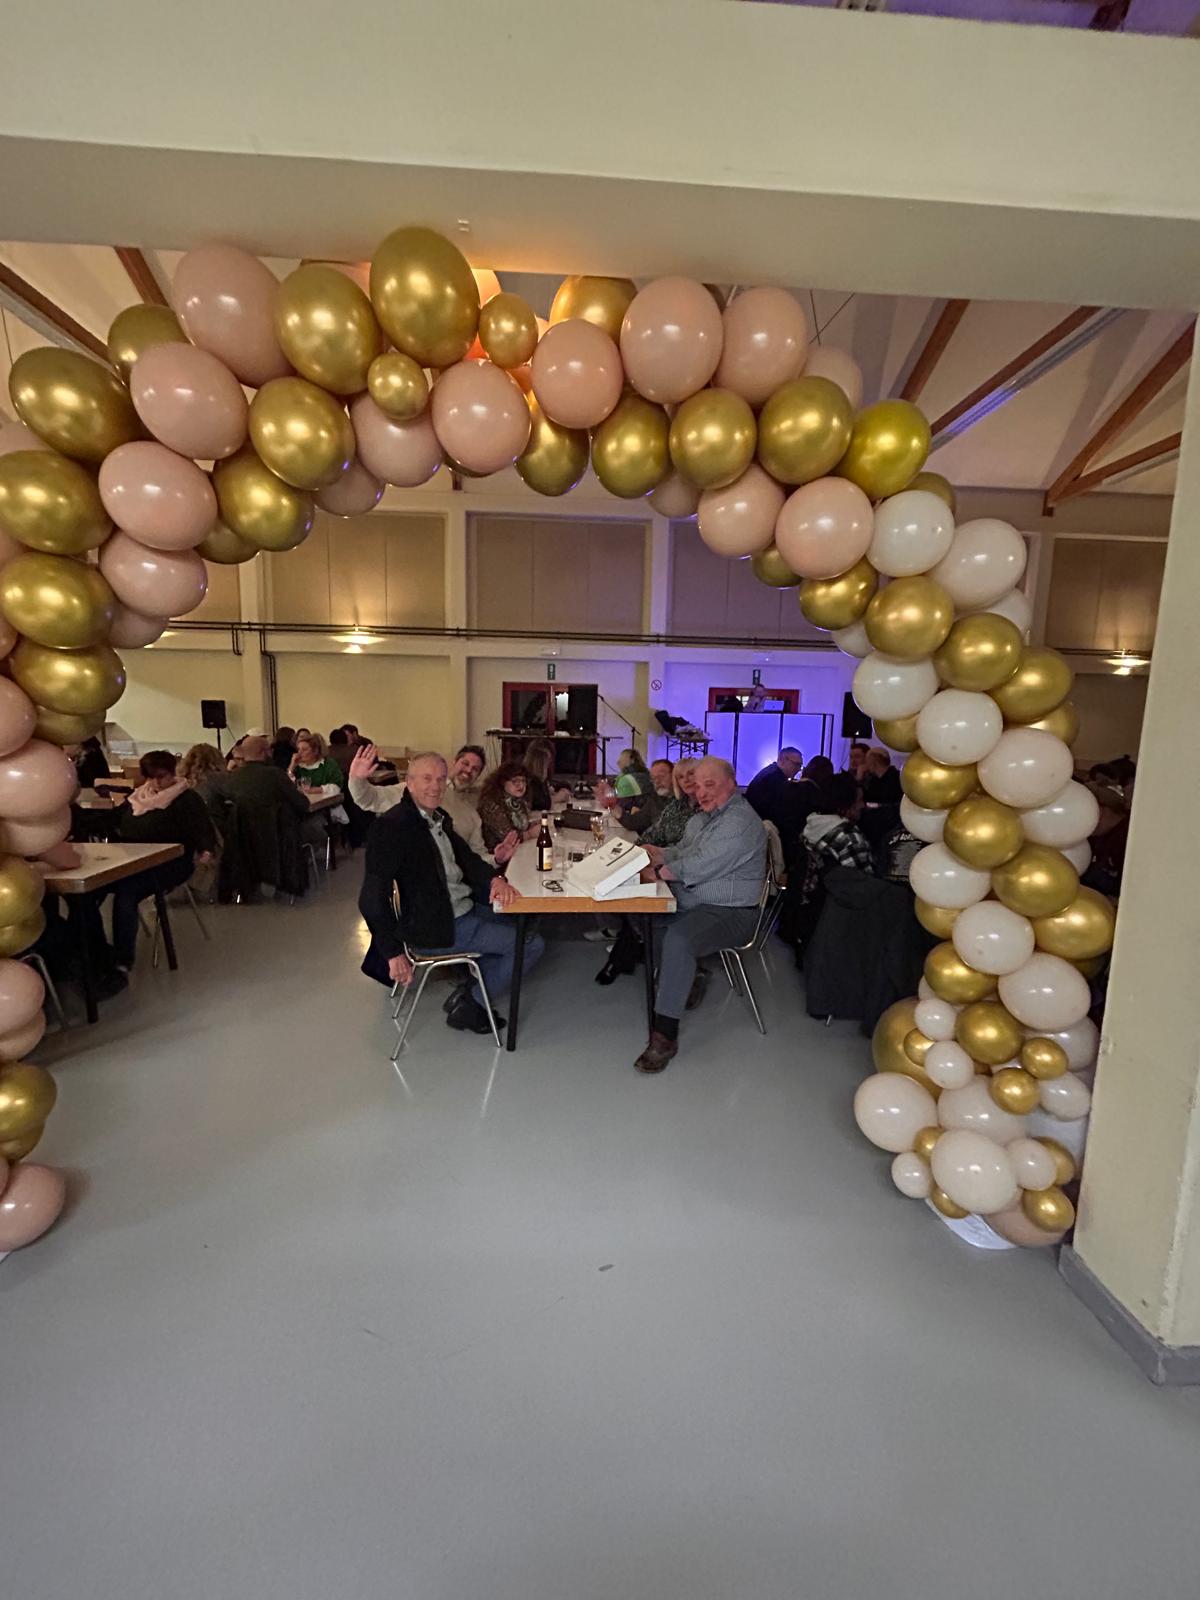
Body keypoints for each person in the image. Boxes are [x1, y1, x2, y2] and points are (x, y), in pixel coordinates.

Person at [358, 752, 544, 1035]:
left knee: (520, 921)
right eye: (427, 779)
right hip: (436, 926)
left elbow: (467, 859)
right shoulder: (393, 826)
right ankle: (472, 1002)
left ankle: (470, 988)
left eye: (440, 779)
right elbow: (371, 897)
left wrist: (494, 879)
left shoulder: (437, 818)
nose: (435, 786)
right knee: (531, 945)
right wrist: (392, 953)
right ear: (409, 782)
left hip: (457, 909)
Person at [631, 757, 767, 1074]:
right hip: (697, 902)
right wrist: (659, 853)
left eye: (710, 784)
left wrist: (658, 872)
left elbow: (700, 865)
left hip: (732, 911)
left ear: (731, 783)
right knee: (643, 916)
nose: (702, 792)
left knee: (679, 939)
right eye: (699, 785)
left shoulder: (738, 822)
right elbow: (686, 849)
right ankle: (687, 977)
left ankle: (664, 1036)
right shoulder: (709, 817)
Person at [594, 759, 700, 983]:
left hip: (685, 876)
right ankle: (634, 948)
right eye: (681, 777)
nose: (686, 780)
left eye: (691, 775)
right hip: (661, 864)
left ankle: (628, 954)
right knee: (616, 882)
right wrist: (632, 853)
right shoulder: (676, 805)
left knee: (633, 897)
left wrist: (656, 860)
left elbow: (694, 854)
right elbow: (652, 832)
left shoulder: (705, 810)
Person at [112, 750, 218, 972]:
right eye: (150, 777)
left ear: (172, 773)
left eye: (161, 777)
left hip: (171, 864)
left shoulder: (187, 799)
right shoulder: (137, 798)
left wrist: (206, 850)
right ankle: (94, 953)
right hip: (134, 862)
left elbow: (203, 829)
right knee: (92, 893)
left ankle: (122, 960)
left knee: (126, 893)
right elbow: (114, 821)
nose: (156, 783)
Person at [348, 742, 517, 865]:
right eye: (465, 763)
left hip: (460, 883)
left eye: (475, 769)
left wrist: (496, 859)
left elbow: (477, 856)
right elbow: (368, 799)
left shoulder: (470, 813)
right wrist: (357, 779)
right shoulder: (414, 791)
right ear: (454, 763)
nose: (468, 770)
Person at [803, 774, 875, 873]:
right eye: (859, 801)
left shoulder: (811, 826)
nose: (863, 805)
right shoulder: (849, 838)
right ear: (844, 805)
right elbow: (863, 879)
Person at [478, 761, 540, 851]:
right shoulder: (492, 804)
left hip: (517, 849)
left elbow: (520, 827)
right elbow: (508, 837)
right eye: (515, 781)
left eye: (523, 780)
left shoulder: (519, 801)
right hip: (496, 854)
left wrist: (533, 825)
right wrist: (530, 834)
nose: (521, 785)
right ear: (502, 783)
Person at [745, 746, 804, 829]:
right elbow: (780, 813)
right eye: (796, 764)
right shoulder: (775, 779)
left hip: (753, 822)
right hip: (759, 826)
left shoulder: (771, 772)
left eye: (800, 766)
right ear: (783, 761)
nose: (798, 769)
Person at [620, 756, 674, 834]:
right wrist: (613, 807)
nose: (657, 781)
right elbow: (635, 822)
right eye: (654, 778)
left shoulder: (684, 801)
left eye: (661, 776)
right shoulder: (655, 799)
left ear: (674, 775)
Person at [523, 739, 571, 813]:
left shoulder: (540, 778)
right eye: (549, 761)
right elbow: (540, 804)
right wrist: (557, 797)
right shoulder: (527, 779)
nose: (549, 765)